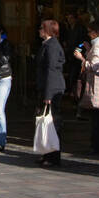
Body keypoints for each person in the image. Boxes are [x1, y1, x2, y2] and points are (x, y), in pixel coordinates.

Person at [74, 18, 99, 155]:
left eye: (90, 32)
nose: (89, 34)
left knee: (97, 116)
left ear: (96, 32)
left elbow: (96, 67)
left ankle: (98, 145)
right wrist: (89, 50)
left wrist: (82, 60)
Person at [34, 19, 66, 168]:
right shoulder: (47, 45)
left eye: (41, 28)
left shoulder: (52, 46)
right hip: (47, 88)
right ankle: (46, 153)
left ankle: (53, 156)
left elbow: (52, 70)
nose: (39, 30)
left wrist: (48, 94)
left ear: (47, 30)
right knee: (45, 122)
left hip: (52, 89)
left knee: (52, 123)